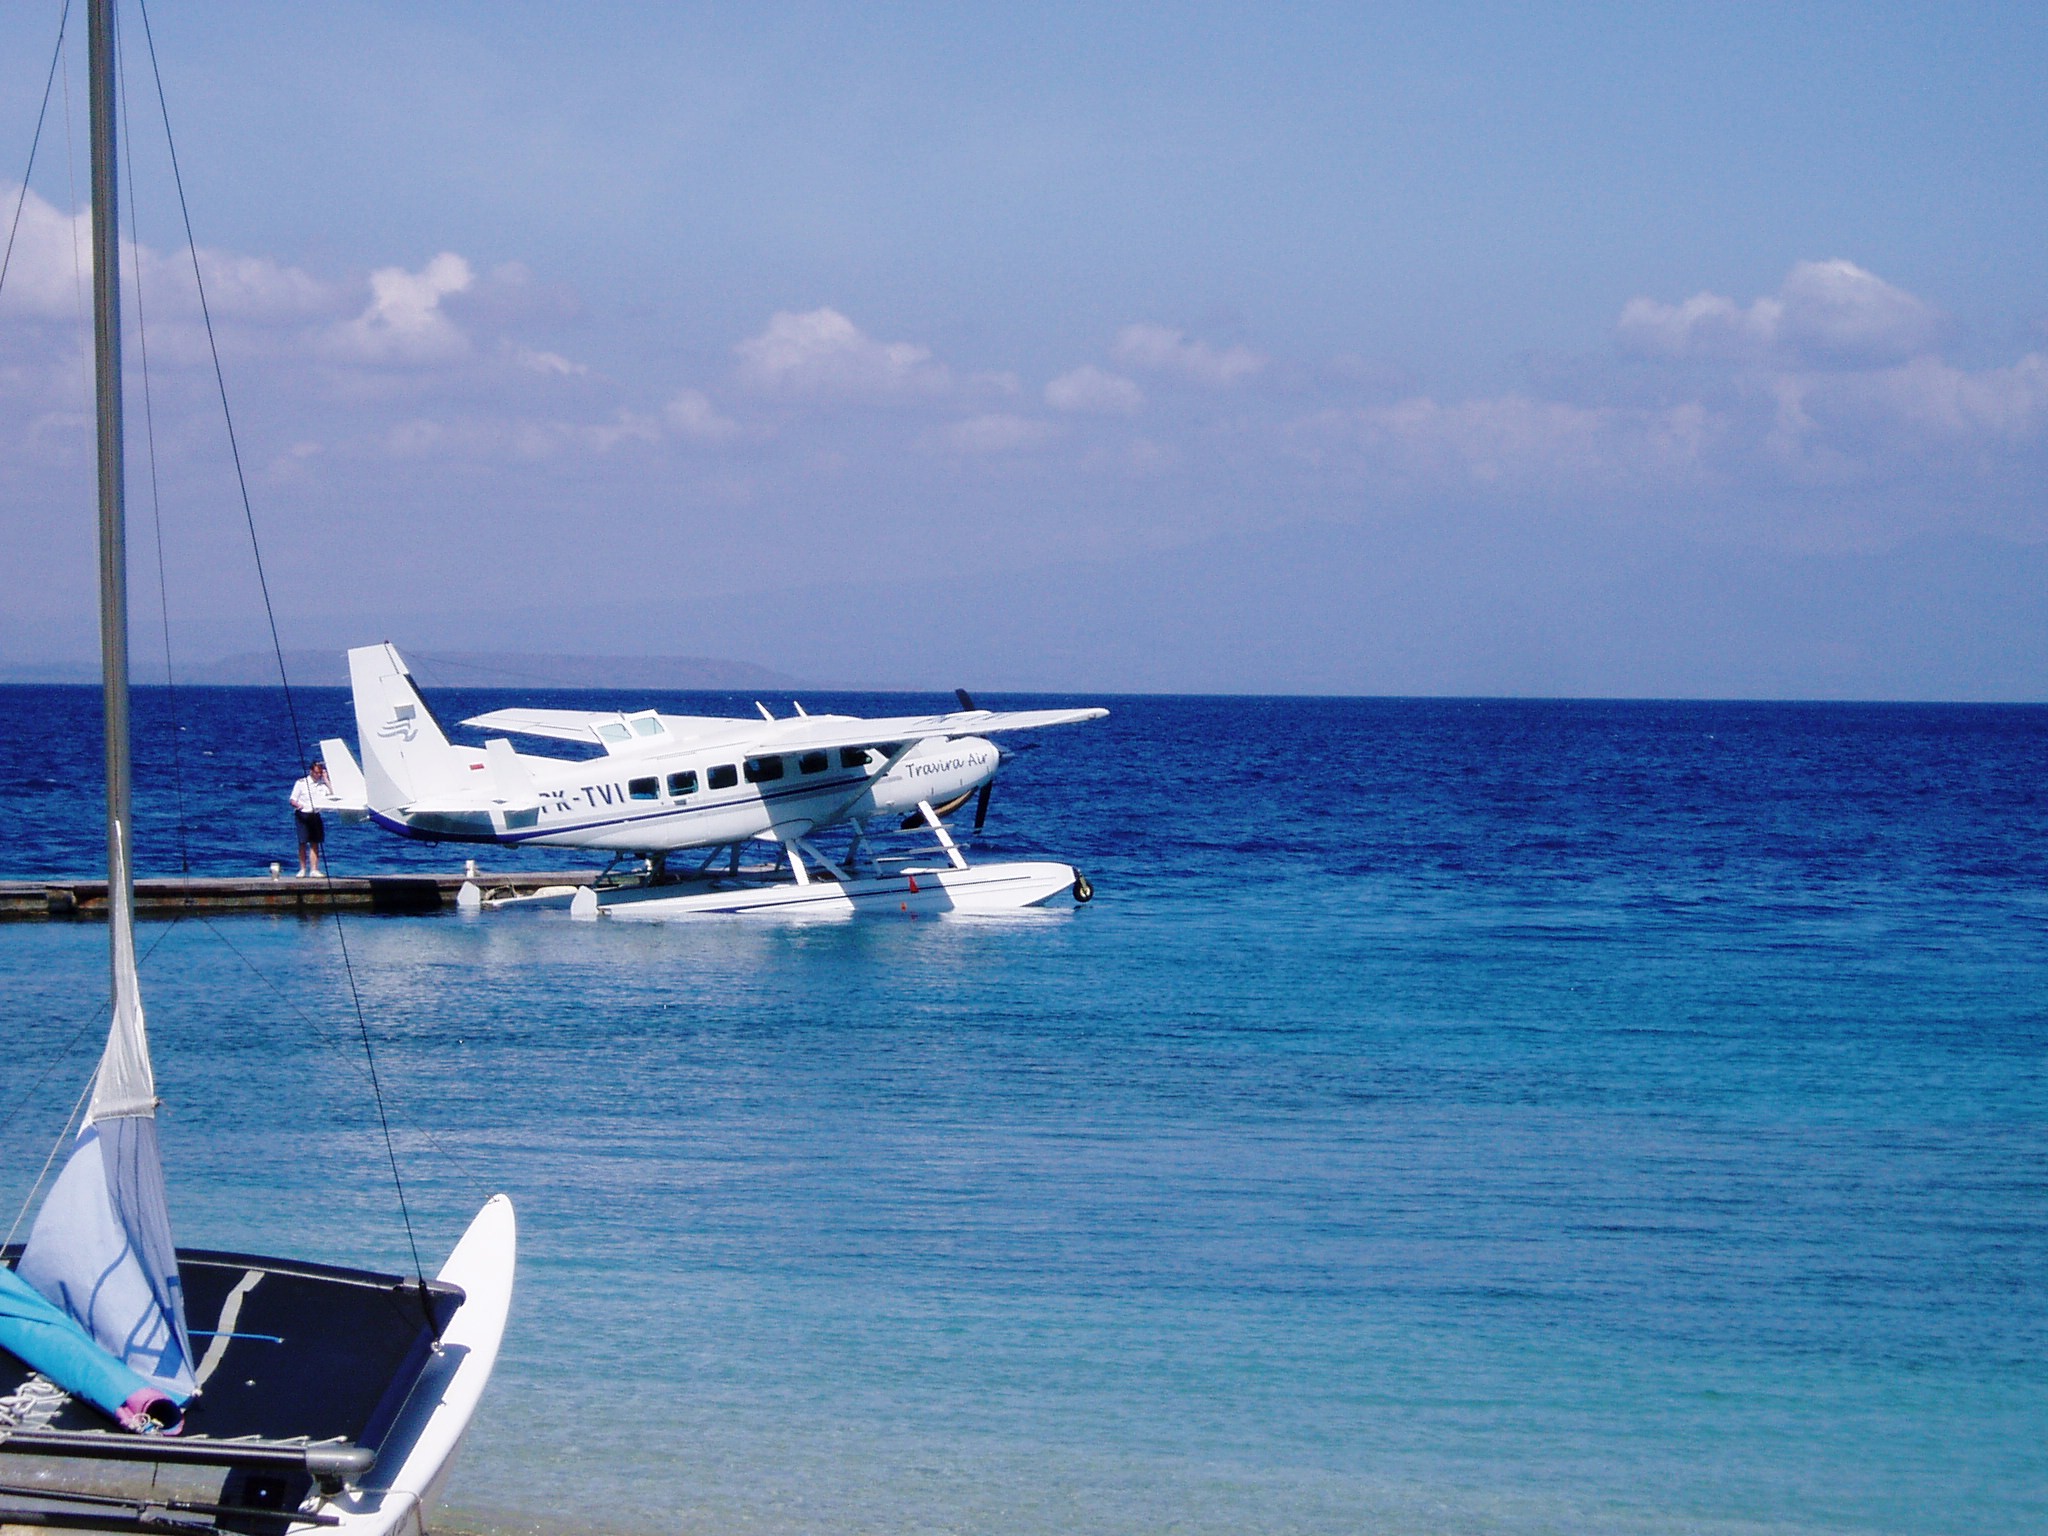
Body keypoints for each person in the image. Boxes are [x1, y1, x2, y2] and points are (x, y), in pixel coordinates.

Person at [289, 760, 336, 876]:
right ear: (311, 771)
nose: (318, 775)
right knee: (303, 842)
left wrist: (326, 779)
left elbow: (333, 793)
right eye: (316, 773)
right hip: (303, 814)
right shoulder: (301, 783)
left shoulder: (322, 785)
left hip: (315, 815)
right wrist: (298, 805)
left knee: (315, 842)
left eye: (320, 773)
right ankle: (302, 869)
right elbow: (292, 799)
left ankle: (314, 869)